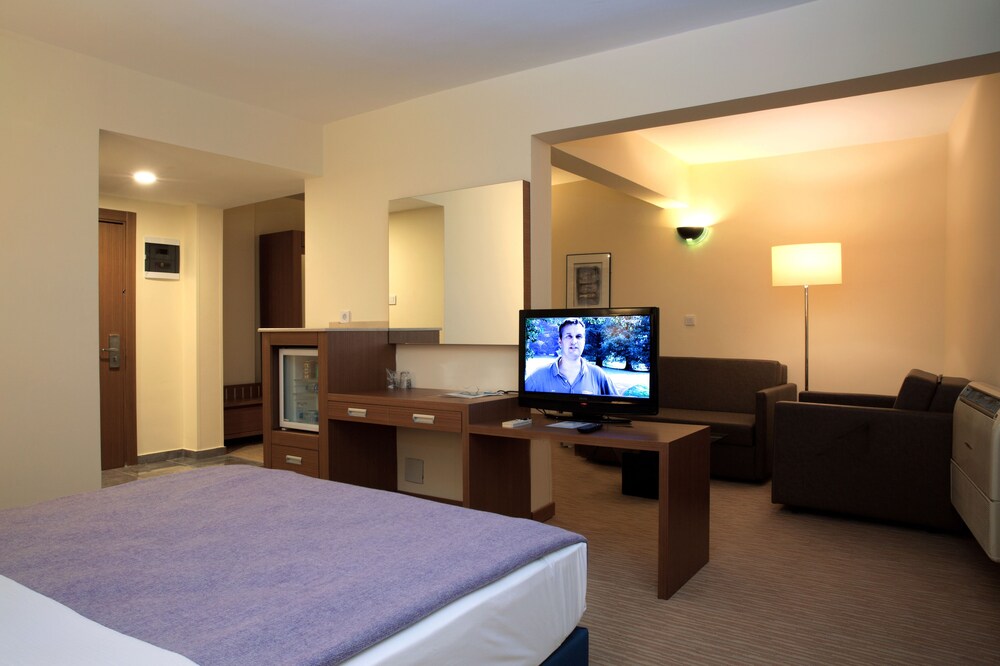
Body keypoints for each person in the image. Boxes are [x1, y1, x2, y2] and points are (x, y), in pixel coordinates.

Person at [525, 318, 619, 395]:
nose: (574, 341)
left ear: (584, 341)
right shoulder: (537, 377)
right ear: (560, 341)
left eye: (578, 336)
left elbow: (619, 406)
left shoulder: (599, 376)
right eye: (569, 336)